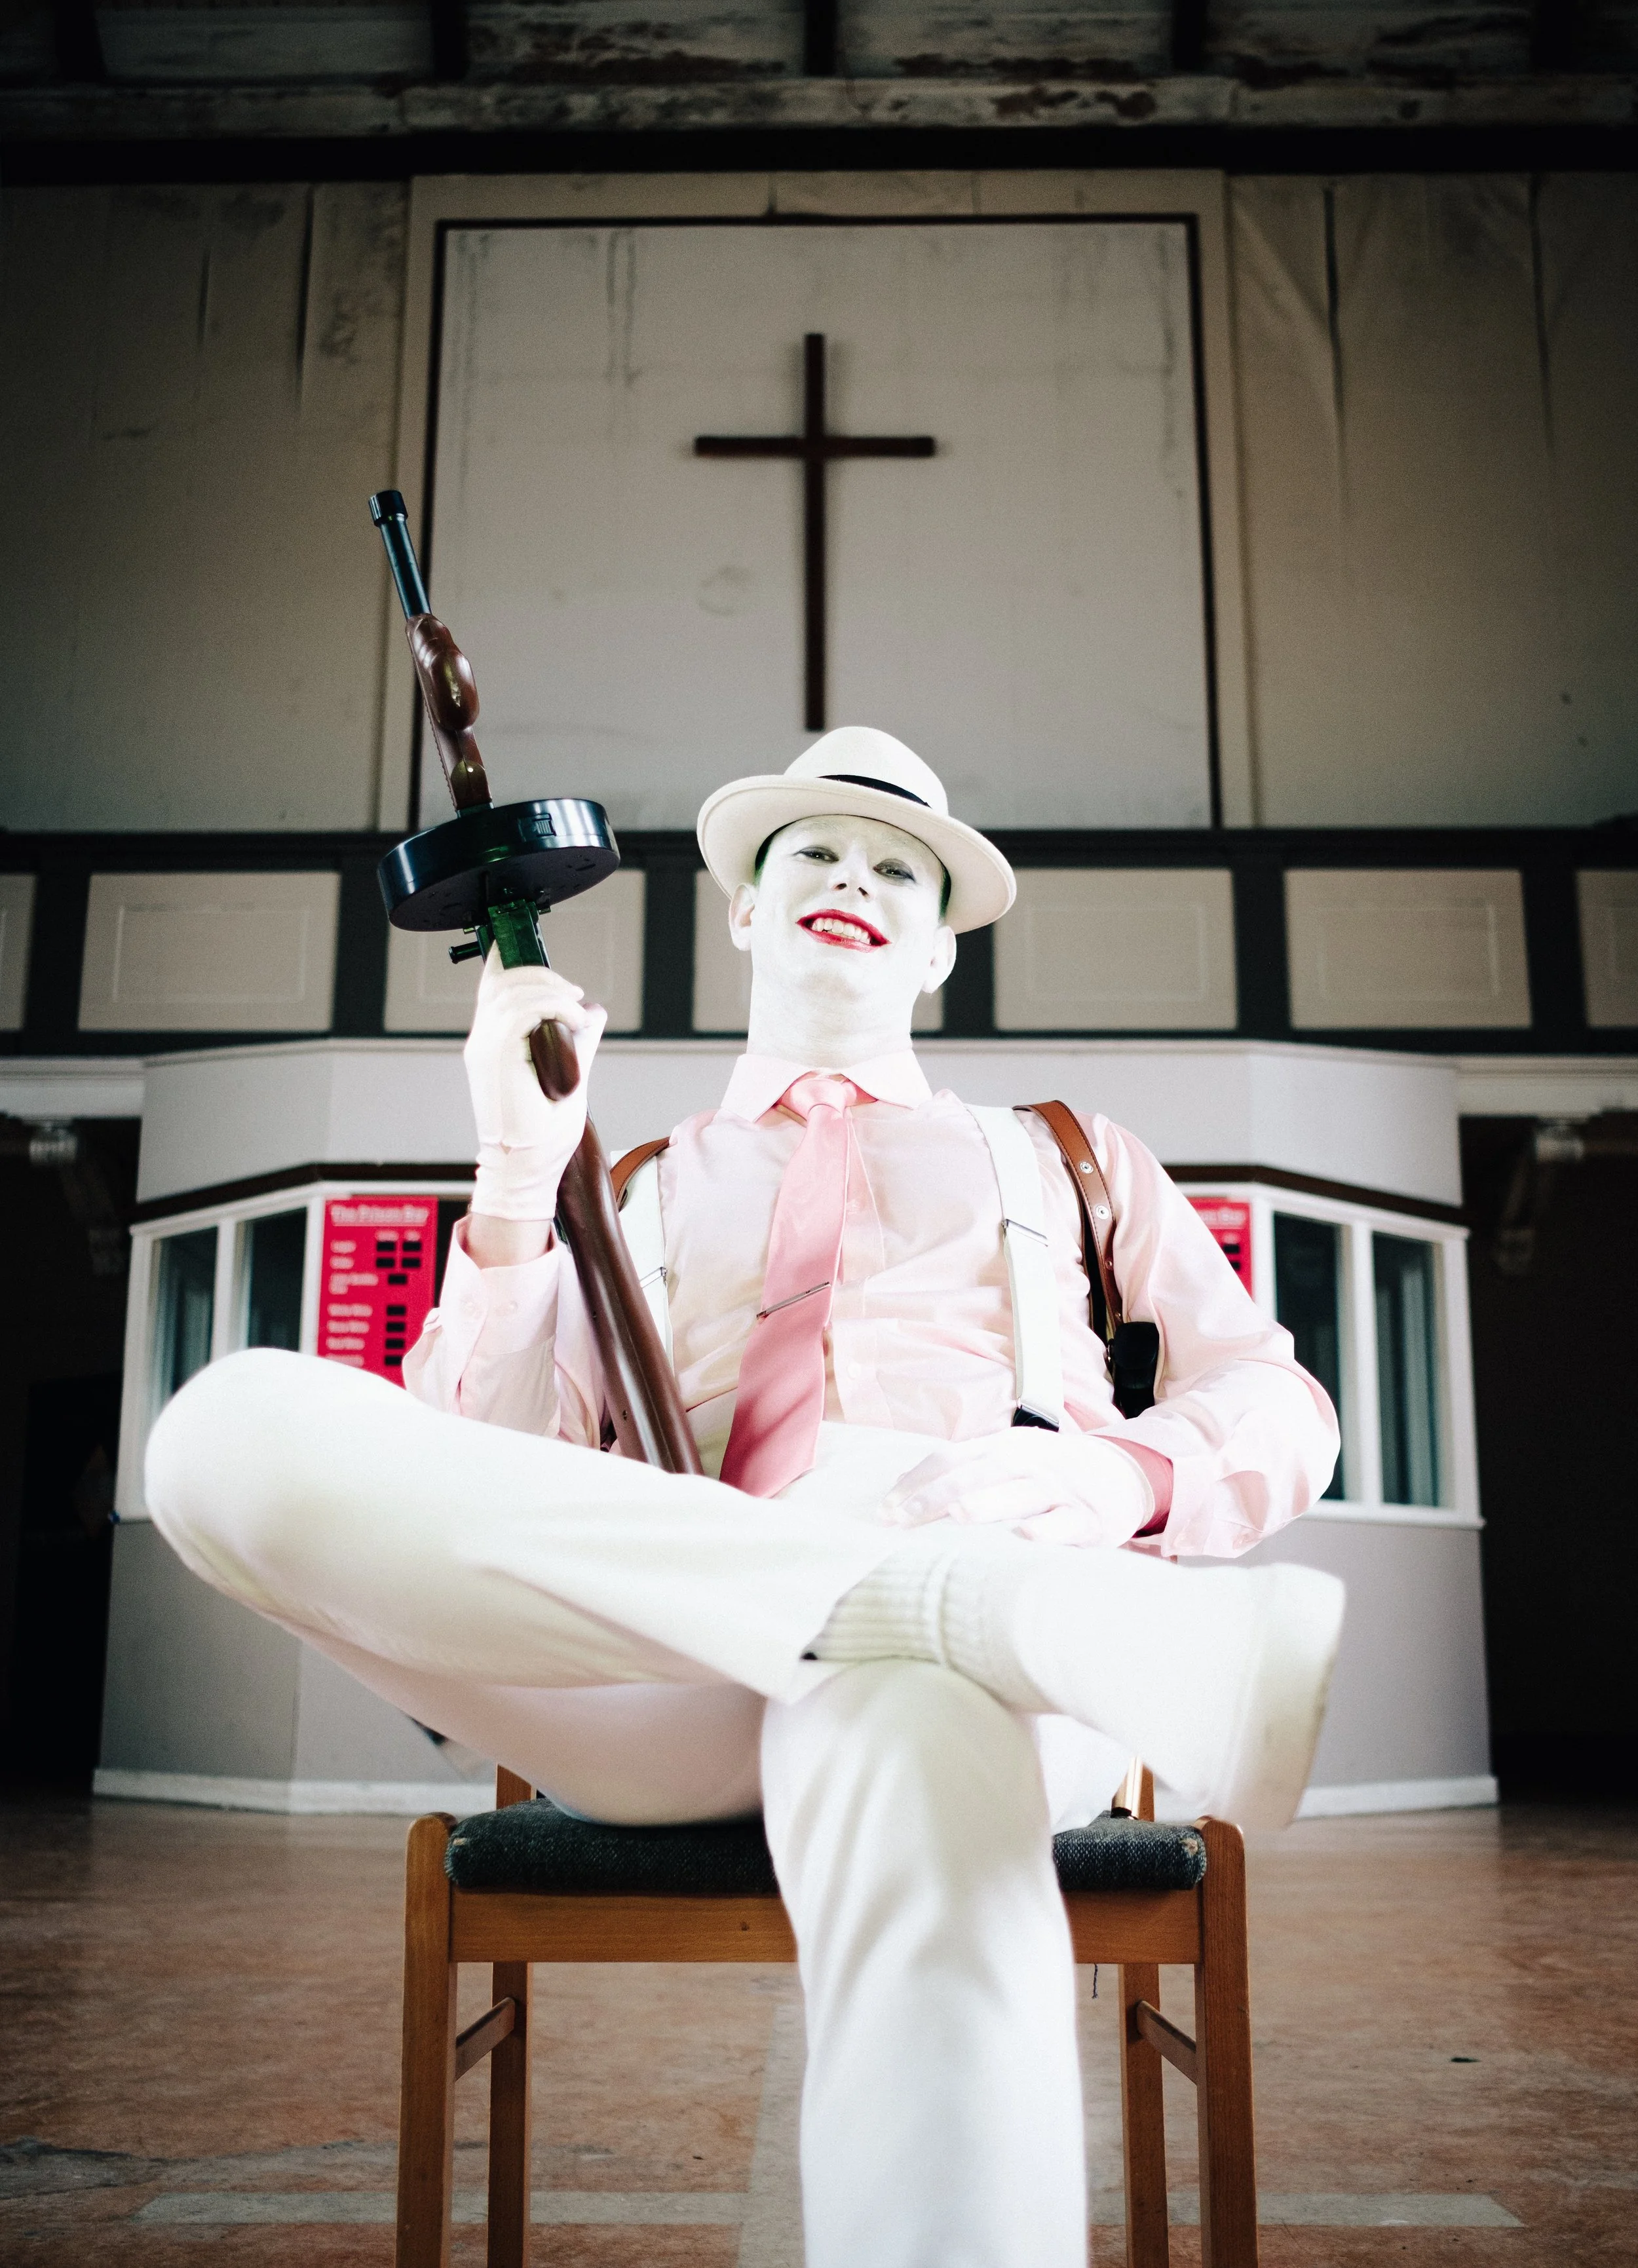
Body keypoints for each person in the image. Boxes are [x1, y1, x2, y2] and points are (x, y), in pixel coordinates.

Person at [147, 725, 1344, 2268]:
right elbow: (477, 1462)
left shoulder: (1067, 1159)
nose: (853, 873)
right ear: (740, 914)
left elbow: (1278, 1407)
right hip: (669, 1669)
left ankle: (943, 1604)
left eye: (898, 868)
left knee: (912, 1709)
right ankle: (947, 1600)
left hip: (983, 1685)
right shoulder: (621, 1187)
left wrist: (1099, 1474)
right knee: (222, 1438)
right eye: (812, 852)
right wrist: (517, 1179)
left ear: (937, 958)